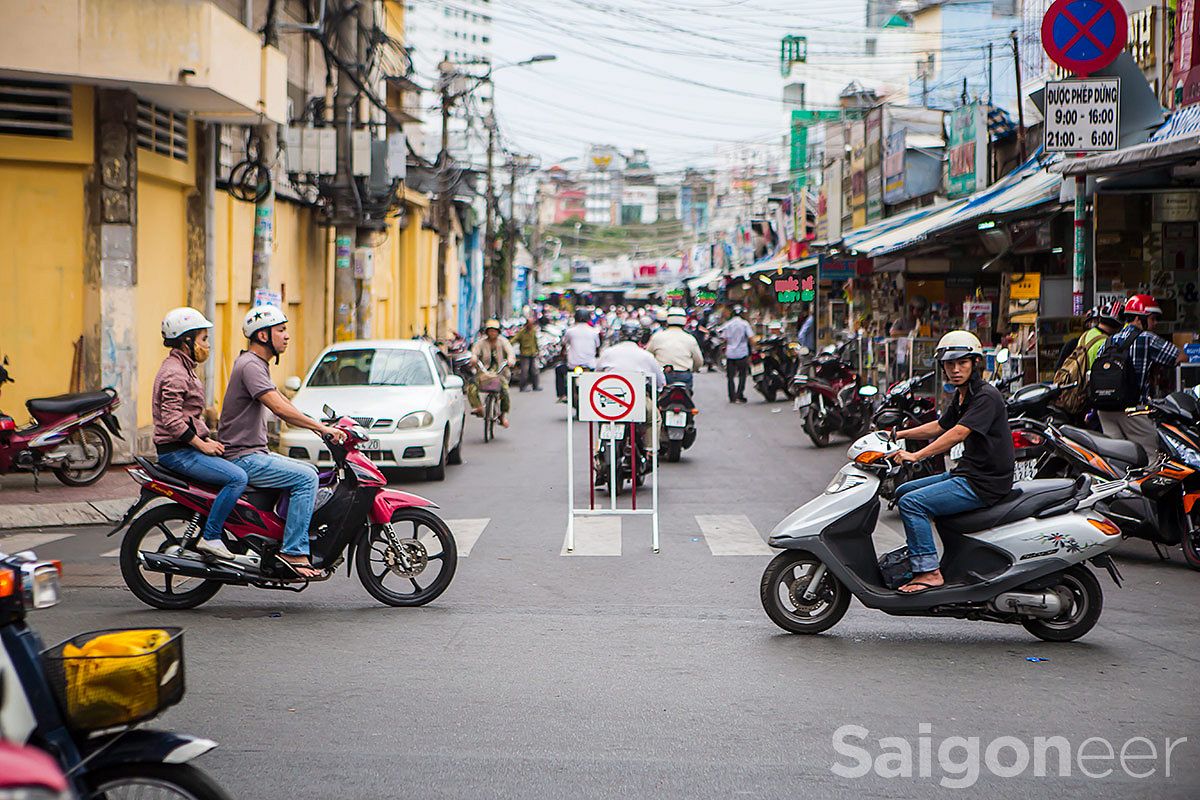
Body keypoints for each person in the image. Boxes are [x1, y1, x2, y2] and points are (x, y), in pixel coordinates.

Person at [219, 305, 347, 580]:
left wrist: (319, 426)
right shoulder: (251, 365)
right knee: (305, 478)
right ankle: (292, 550)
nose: (287, 336)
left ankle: (279, 535)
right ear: (263, 336)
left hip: (254, 452)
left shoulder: (255, 365)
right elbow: (278, 408)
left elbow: (284, 402)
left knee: (311, 472)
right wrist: (320, 428)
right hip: (243, 456)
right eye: (281, 330)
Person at [888, 331, 1015, 594]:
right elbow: (940, 426)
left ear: (975, 363)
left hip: (983, 482)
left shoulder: (985, 396)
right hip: (968, 473)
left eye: (962, 363)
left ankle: (929, 571)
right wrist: (896, 434)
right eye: (949, 364)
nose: (956, 370)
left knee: (912, 503)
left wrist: (916, 455)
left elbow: (958, 433)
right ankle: (924, 556)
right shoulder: (963, 395)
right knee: (902, 492)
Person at [152, 308, 246, 561]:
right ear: (186, 341)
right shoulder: (175, 372)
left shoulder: (183, 367)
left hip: (185, 448)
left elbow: (187, 416)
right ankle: (212, 536)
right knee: (237, 478)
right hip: (177, 452)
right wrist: (201, 445)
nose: (207, 345)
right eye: (203, 339)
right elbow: (171, 419)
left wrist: (205, 439)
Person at [1095, 293, 1185, 454]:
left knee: (1118, 458)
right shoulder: (1147, 338)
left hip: (1105, 409)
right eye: (1152, 318)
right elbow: (1180, 357)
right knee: (1149, 456)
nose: (1155, 323)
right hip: (1132, 410)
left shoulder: (1108, 341)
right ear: (1138, 319)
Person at [597, 322, 666, 447]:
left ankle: (598, 449)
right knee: (654, 419)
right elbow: (660, 382)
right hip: (637, 399)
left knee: (601, 420)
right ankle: (651, 450)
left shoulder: (608, 353)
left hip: (609, 400)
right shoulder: (646, 356)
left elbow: (597, 375)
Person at [467, 319, 516, 428]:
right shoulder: (481, 342)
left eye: (495, 331)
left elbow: (510, 352)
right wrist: (474, 358)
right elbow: (475, 352)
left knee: (505, 392)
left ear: (498, 332)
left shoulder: (503, 341)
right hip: (484, 372)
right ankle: (479, 407)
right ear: (487, 331)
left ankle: (502, 416)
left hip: (500, 373)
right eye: (490, 331)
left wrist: (510, 360)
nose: (492, 333)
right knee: (471, 387)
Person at [645, 308, 703, 389]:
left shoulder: (657, 336)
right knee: (687, 399)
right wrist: (694, 369)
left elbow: (647, 356)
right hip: (684, 375)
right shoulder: (690, 338)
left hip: (663, 375)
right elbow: (699, 361)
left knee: (656, 398)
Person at [556, 308, 602, 402]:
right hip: (590, 365)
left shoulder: (570, 331)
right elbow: (597, 348)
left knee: (559, 369)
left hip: (573, 365)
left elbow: (564, 345)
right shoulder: (594, 332)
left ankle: (563, 394)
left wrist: (562, 355)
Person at [720, 305, 755, 403]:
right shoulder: (744, 324)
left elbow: (723, 338)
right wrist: (756, 347)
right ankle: (740, 394)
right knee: (742, 375)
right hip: (742, 353)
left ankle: (732, 397)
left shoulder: (728, 324)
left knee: (730, 376)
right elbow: (751, 338)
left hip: (730, 353)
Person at [512, 317, 542, 392]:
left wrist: (538, 350)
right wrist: (507, 345)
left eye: (532, 324)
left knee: (534, 371)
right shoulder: (522, 332)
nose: (531, 325)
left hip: (533, 353)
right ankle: (522, 387)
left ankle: (535, 386)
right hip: (524, 354)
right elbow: (514, 339)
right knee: (524, 372)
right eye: (530, 324)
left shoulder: (533, 331)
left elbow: (535, 341)